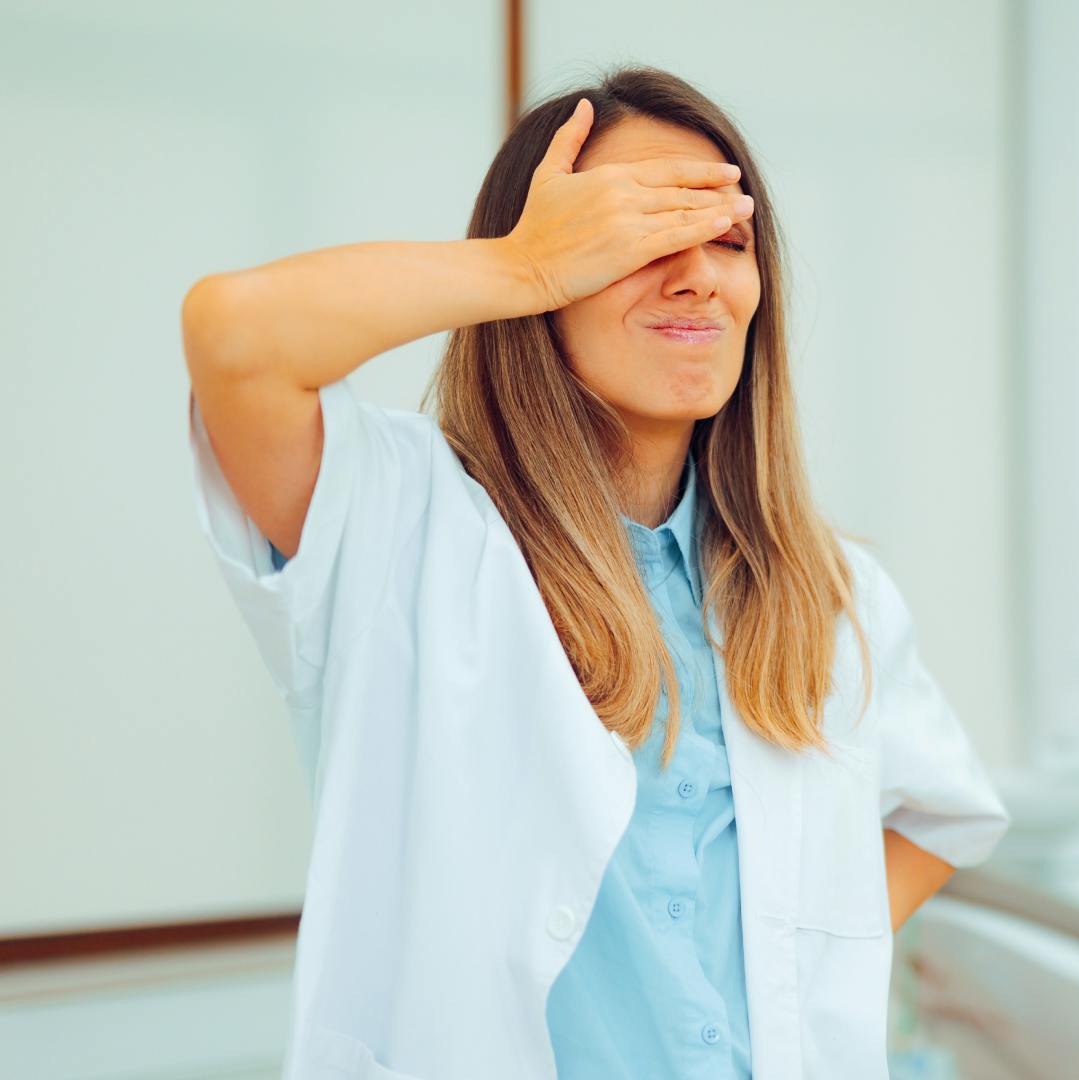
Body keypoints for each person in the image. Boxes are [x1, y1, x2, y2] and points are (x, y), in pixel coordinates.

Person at [178, 65, 1009, 1080]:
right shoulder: (405, 526)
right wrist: (523, 267)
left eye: (728, 240)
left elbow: (942, 813)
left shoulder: (823, 588)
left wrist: (791, 955)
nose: (698, 276)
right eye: (641, 234)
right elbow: (234, 336)